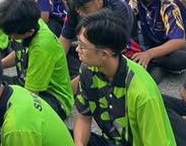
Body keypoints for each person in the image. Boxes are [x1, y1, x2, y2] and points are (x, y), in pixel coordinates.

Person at [73, 12, 179, 146]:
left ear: (104, 54)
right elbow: (83, 117)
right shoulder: (88, 70)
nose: (77, 49)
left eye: (82, 46)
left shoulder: (142, 93)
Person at [0, 0, 74, 121]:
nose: (10, 38)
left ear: (29, 32)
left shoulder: (41, 48)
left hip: (52, 99)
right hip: (26, 82)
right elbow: (19, 54)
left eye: (12, 35)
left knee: (2, 107)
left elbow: (31, 96)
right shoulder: (29, 21)